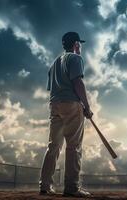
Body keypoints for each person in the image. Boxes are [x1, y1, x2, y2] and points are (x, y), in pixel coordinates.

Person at [39, 32, 93, 197]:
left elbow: (52, 88)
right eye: (80, 43)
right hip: (71, 104)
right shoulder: (75, 58)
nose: (81, 46)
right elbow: (77, 82)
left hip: (54, 104)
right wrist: (87, 106)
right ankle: (72, 187)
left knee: (53, 146)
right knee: (74, 146)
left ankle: (45, 185)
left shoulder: (54, 63)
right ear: (76, 43)